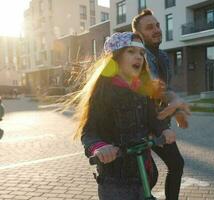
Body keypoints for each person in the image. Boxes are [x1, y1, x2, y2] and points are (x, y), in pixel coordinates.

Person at [71, 32, 177, 200]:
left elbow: (153, 118)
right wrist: (99, 147)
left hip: (143, 172)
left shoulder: (142, 90)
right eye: (131, 52)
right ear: (115, 57)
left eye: (141, 53)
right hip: (115, 180)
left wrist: (164, 130)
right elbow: (89, 132)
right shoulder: (103, 92)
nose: (139, 57)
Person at [132, 9, 191, 200]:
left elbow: (165, 89)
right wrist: (177, 104)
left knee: (172, 166)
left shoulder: (163, 57)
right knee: (151, 175)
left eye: (157, 25)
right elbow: (156, 90)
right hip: (139, 123)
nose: (157, 29)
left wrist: (176, 108)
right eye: (150, 28)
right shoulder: (142, 57)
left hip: (157, 121)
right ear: (139, 35)